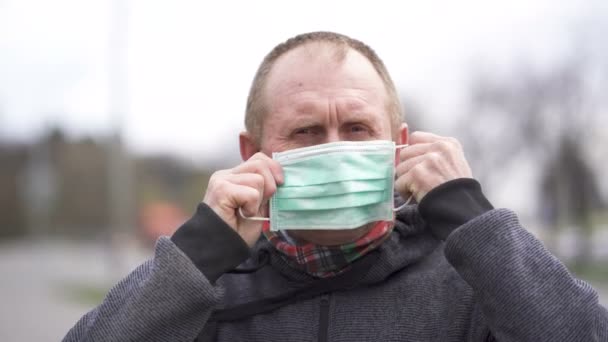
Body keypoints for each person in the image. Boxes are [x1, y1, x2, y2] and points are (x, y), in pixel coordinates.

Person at [64, 31, 608, 342]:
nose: (336, 149)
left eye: (356, 129)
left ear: (397, 145)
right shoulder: (207, 295)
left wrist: (477, 226)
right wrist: (200, 252)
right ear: (252, 156)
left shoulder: (472, 280)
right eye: (305, 132)